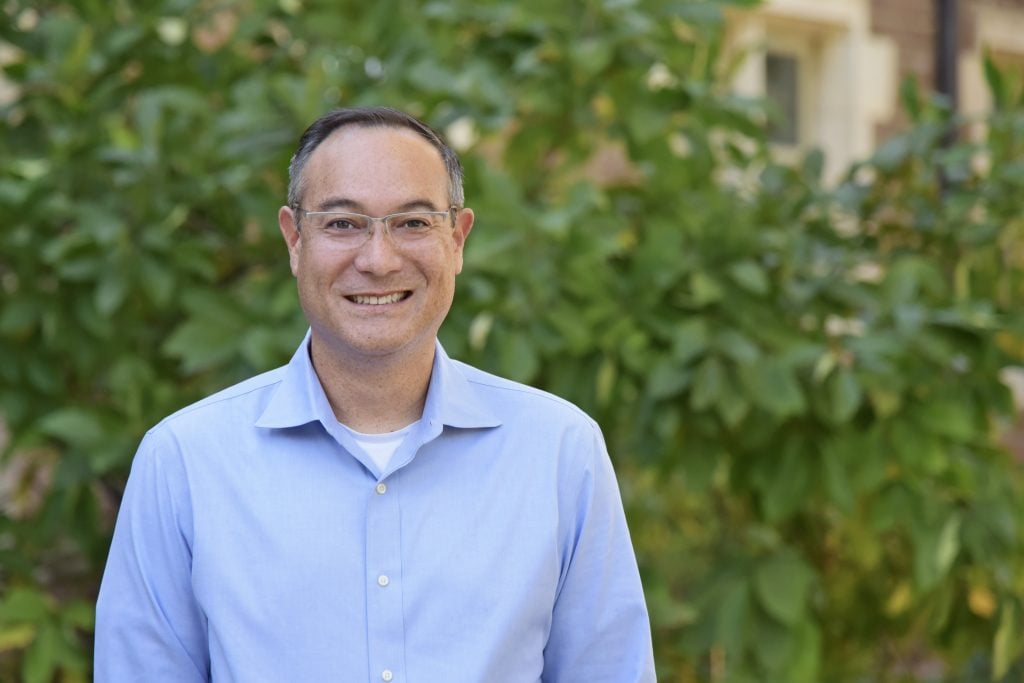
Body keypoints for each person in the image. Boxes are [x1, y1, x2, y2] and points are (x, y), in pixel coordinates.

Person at [94, 106, 656, 682]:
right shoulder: (184, 461)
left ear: (457, 240)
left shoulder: (560, 451)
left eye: (413, 223)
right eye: (343, 224)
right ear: (294, 239)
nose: (379, 259)